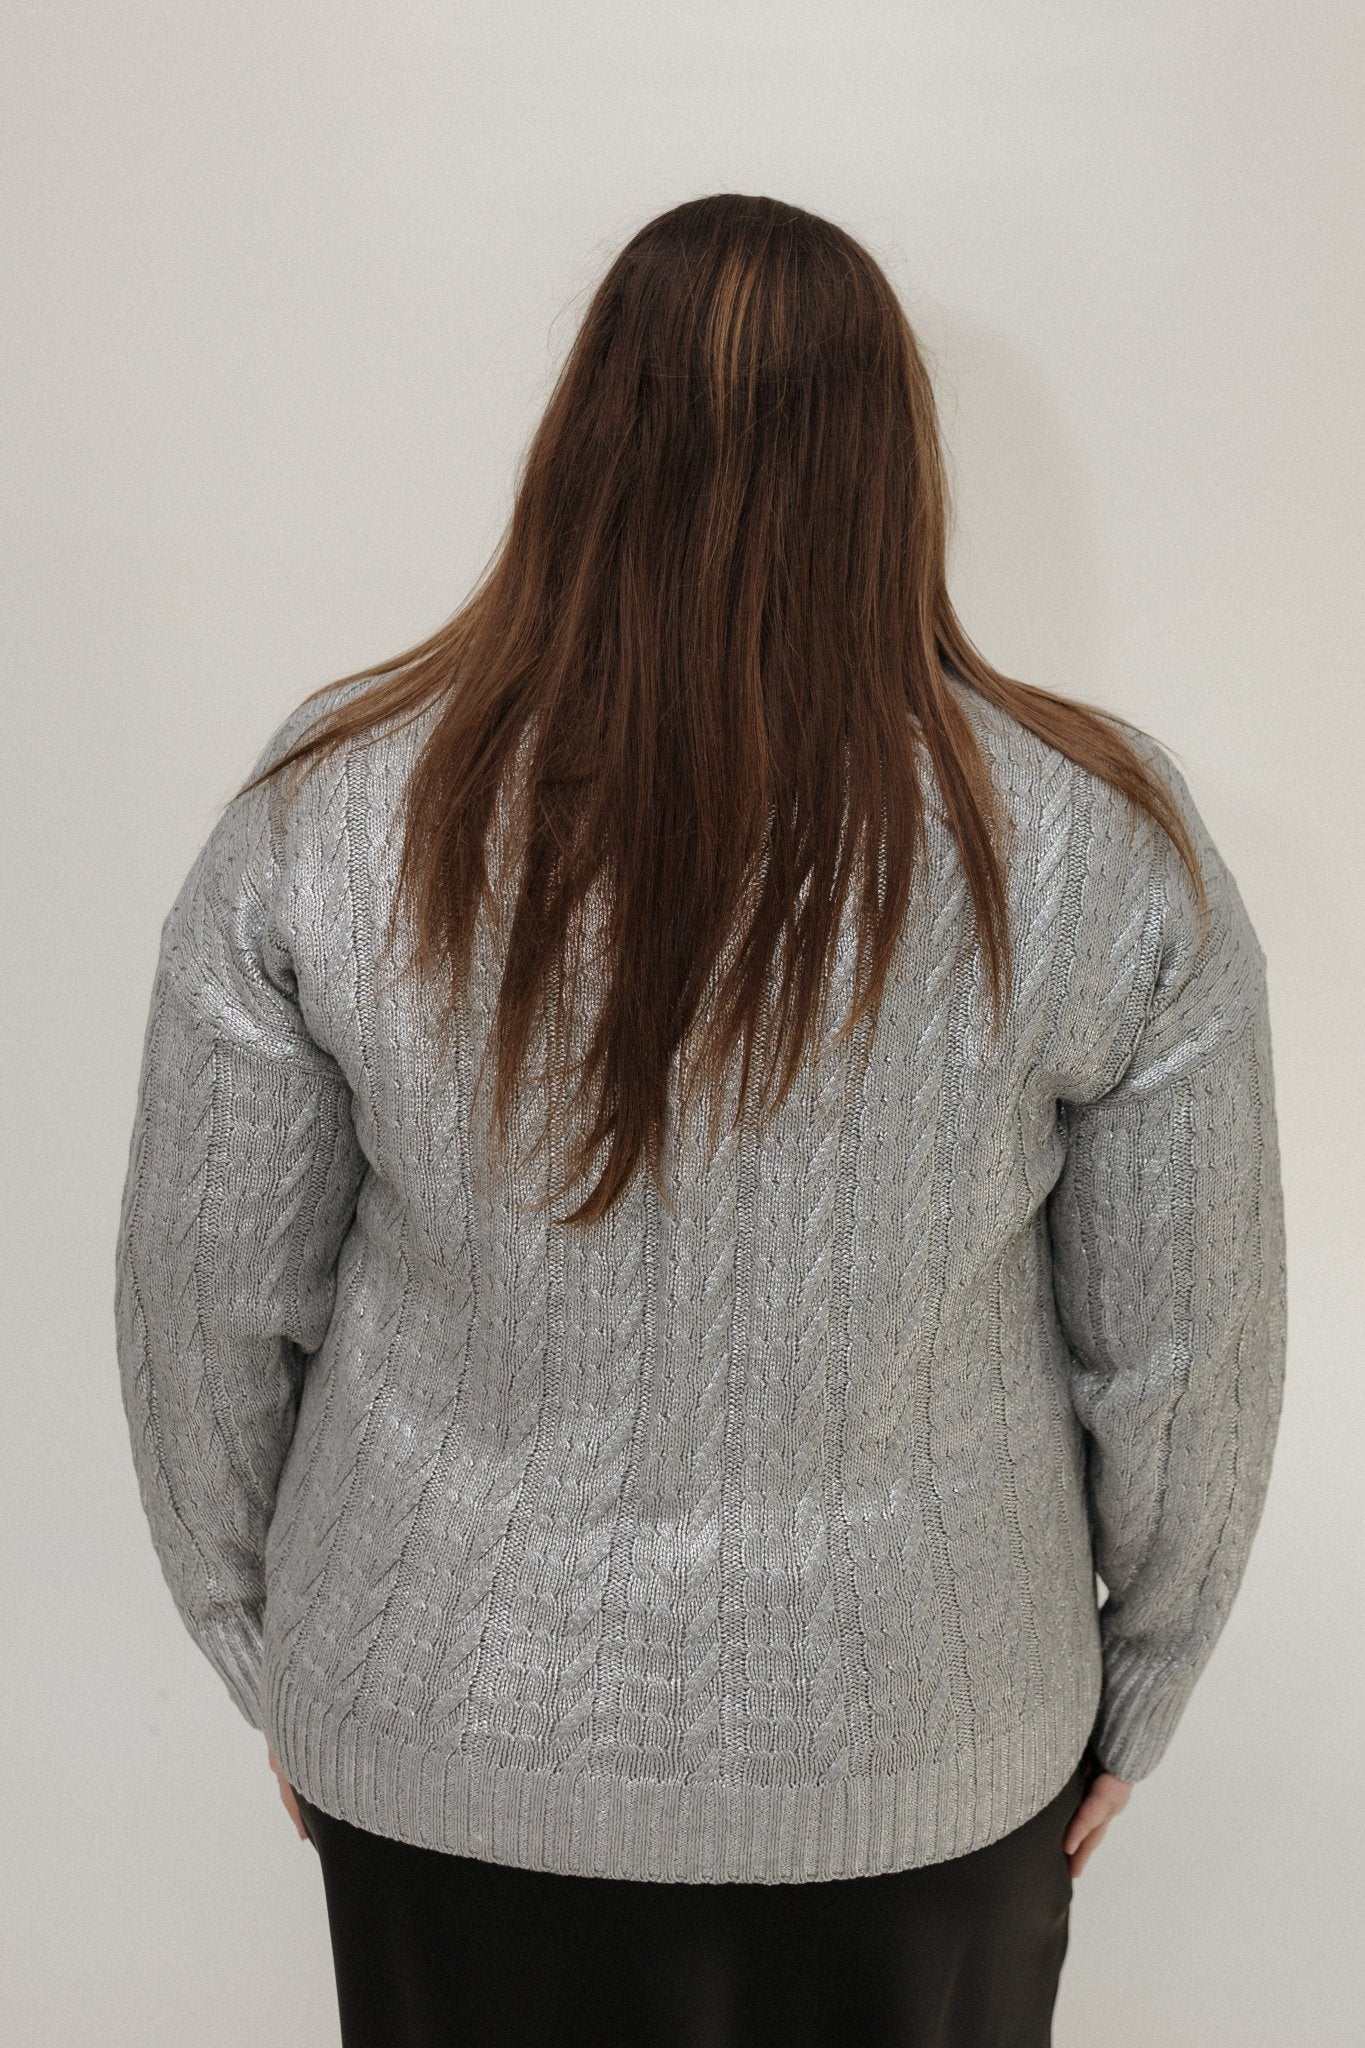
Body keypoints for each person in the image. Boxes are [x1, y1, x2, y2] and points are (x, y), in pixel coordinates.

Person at [113, 193, 1287, 2047]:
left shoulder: (333, 800)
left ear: (582, 437)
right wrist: (1140, 1677)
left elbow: (198, 1300)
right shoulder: (1096, 836)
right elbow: (1188, 1353)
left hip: (440, 1739)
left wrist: (283, 1653)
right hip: (924, 1746)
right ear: (894, 465)